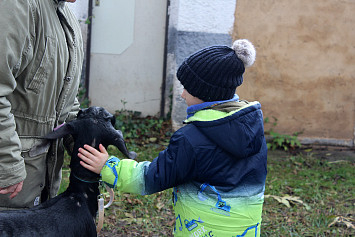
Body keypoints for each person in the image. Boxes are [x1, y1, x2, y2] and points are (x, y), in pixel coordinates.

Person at [78, 39, 267, 236]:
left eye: (187, 88)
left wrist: (109, 167)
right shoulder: (253, 128)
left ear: (206, 93)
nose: (183, 94)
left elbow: (152, 177)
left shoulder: (191, 138)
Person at [0, 0, 83, 209]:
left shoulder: (66, 17)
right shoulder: (18, 5)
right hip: (10, 183)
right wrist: (7, 162)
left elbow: (67, 100)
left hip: (40, 180)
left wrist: (83, 144)